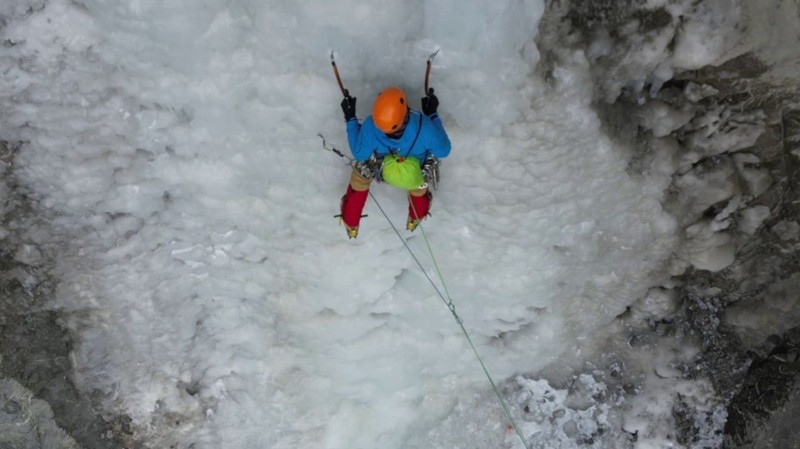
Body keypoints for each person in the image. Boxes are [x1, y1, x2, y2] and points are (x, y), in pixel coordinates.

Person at [338, 86, 451, 238]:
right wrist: (432, 115)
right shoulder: (424, 127)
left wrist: (351, 118)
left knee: (360, 178)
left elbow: (359, 154)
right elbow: (444, 150)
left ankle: (351, 224)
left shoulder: (371, 126)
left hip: (380, 168)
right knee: (419, 185)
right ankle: (415, 219)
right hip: (414, 171)